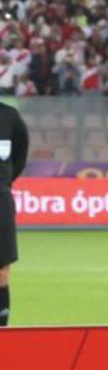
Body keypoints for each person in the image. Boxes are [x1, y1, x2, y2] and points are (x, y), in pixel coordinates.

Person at [0, 96, 28, 325]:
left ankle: (2, 330)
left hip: (0, 199)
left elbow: (20, 153)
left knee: (2, 270)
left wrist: (4, 182)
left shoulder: (9, 116)